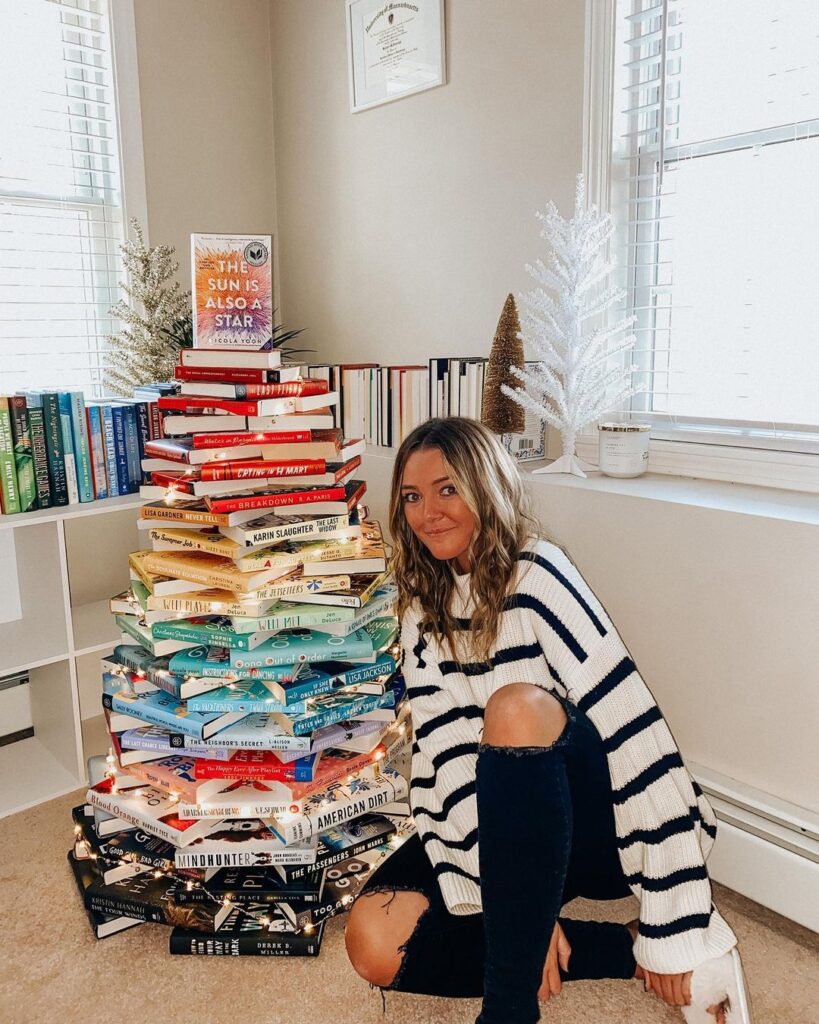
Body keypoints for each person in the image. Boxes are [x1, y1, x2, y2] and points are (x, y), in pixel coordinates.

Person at [344, 417, 752, 1024]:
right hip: (509, 836)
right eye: (412, 495)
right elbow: (448, 760)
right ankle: (619, 950)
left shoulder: (537, 574)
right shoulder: (421, 607)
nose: (428, 511)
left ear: (486, 487)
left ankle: (509, 1011)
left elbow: (634, 732)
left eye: (448, 488)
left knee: (515, 706)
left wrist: (677, 917)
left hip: (597, 831)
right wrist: (505, 912)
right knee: (372, 941)